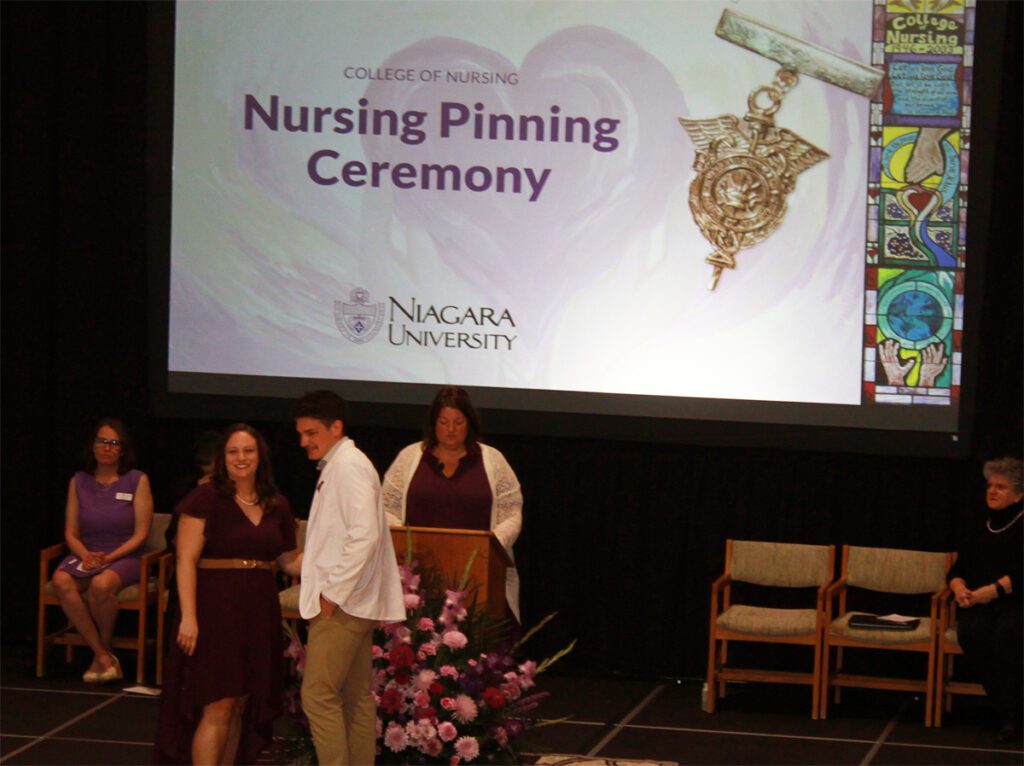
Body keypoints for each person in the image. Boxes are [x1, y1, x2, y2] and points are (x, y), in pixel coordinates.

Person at [154, 424, 301, 765]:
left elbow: (290, 561)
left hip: (259, 613)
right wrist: (189, 617)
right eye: (233, 451)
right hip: (215, 612)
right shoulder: (205, 498)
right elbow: (185, 560)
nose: (241, 458)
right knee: (218, 703)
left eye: (248, 450)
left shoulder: (276, 503)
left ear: (260, 455)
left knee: (239, 706)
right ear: (222, 457)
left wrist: (339, 571)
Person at [293, 390, 404, 765]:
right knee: (354, 698)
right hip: (353, 601)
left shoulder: (349, 466)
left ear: (335, 427)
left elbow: (365, 534)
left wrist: (332, 593)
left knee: (318, 695)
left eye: (311, 433)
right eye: (301, 434)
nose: (303, 441)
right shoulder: (342, 464)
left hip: (344, 604)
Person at [382, 386, 523, 621]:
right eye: (443, 421)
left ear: (469, 423)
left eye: (458, 422)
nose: (450, 430)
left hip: (479, 575)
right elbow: (385, 508)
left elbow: (512, 513)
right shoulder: (409, 457)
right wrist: (404, 543)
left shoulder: (493, 460)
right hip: (417, 576)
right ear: (433, 423)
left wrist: (491, 546)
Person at [52, 418, 153, 683]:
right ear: (93, 447)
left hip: (124, 555)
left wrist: (109, 558)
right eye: (102, 441)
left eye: (113, 443)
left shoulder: (136, 480)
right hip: (86, 553)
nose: (107, 447)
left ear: (122, 450)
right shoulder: (78, 481)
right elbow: (70, 533)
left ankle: (104, 648)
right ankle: (103, 656)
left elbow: (141, 534)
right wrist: (85, 555)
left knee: (100, 584)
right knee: (61, 580)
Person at [946, 456, 1023, 743]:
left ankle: (1013, 712)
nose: (992, 491)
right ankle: (1002, 705)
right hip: (981, 603)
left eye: (1001, 487)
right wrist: (958, 587)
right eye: (990, 485)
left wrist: (993, 590)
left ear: (1018, 494)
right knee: (971, 631)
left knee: (1008, 632)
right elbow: (958, 568)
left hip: (1016, 603)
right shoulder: (982, 524)